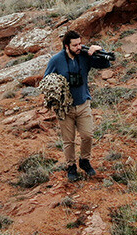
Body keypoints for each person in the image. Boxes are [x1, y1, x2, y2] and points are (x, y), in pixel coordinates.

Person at [44, 30, 112, 181]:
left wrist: (99, 50)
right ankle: (71, 166)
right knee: (69, 141)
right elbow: (46, 81)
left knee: (87, 135)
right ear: (67, 46)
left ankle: (84, 161)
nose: (79, 47)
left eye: (80, 43)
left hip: (83, 104)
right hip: (65, 109)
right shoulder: (56, 60)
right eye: (75, 45)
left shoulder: (84, 55)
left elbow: (106, 63)